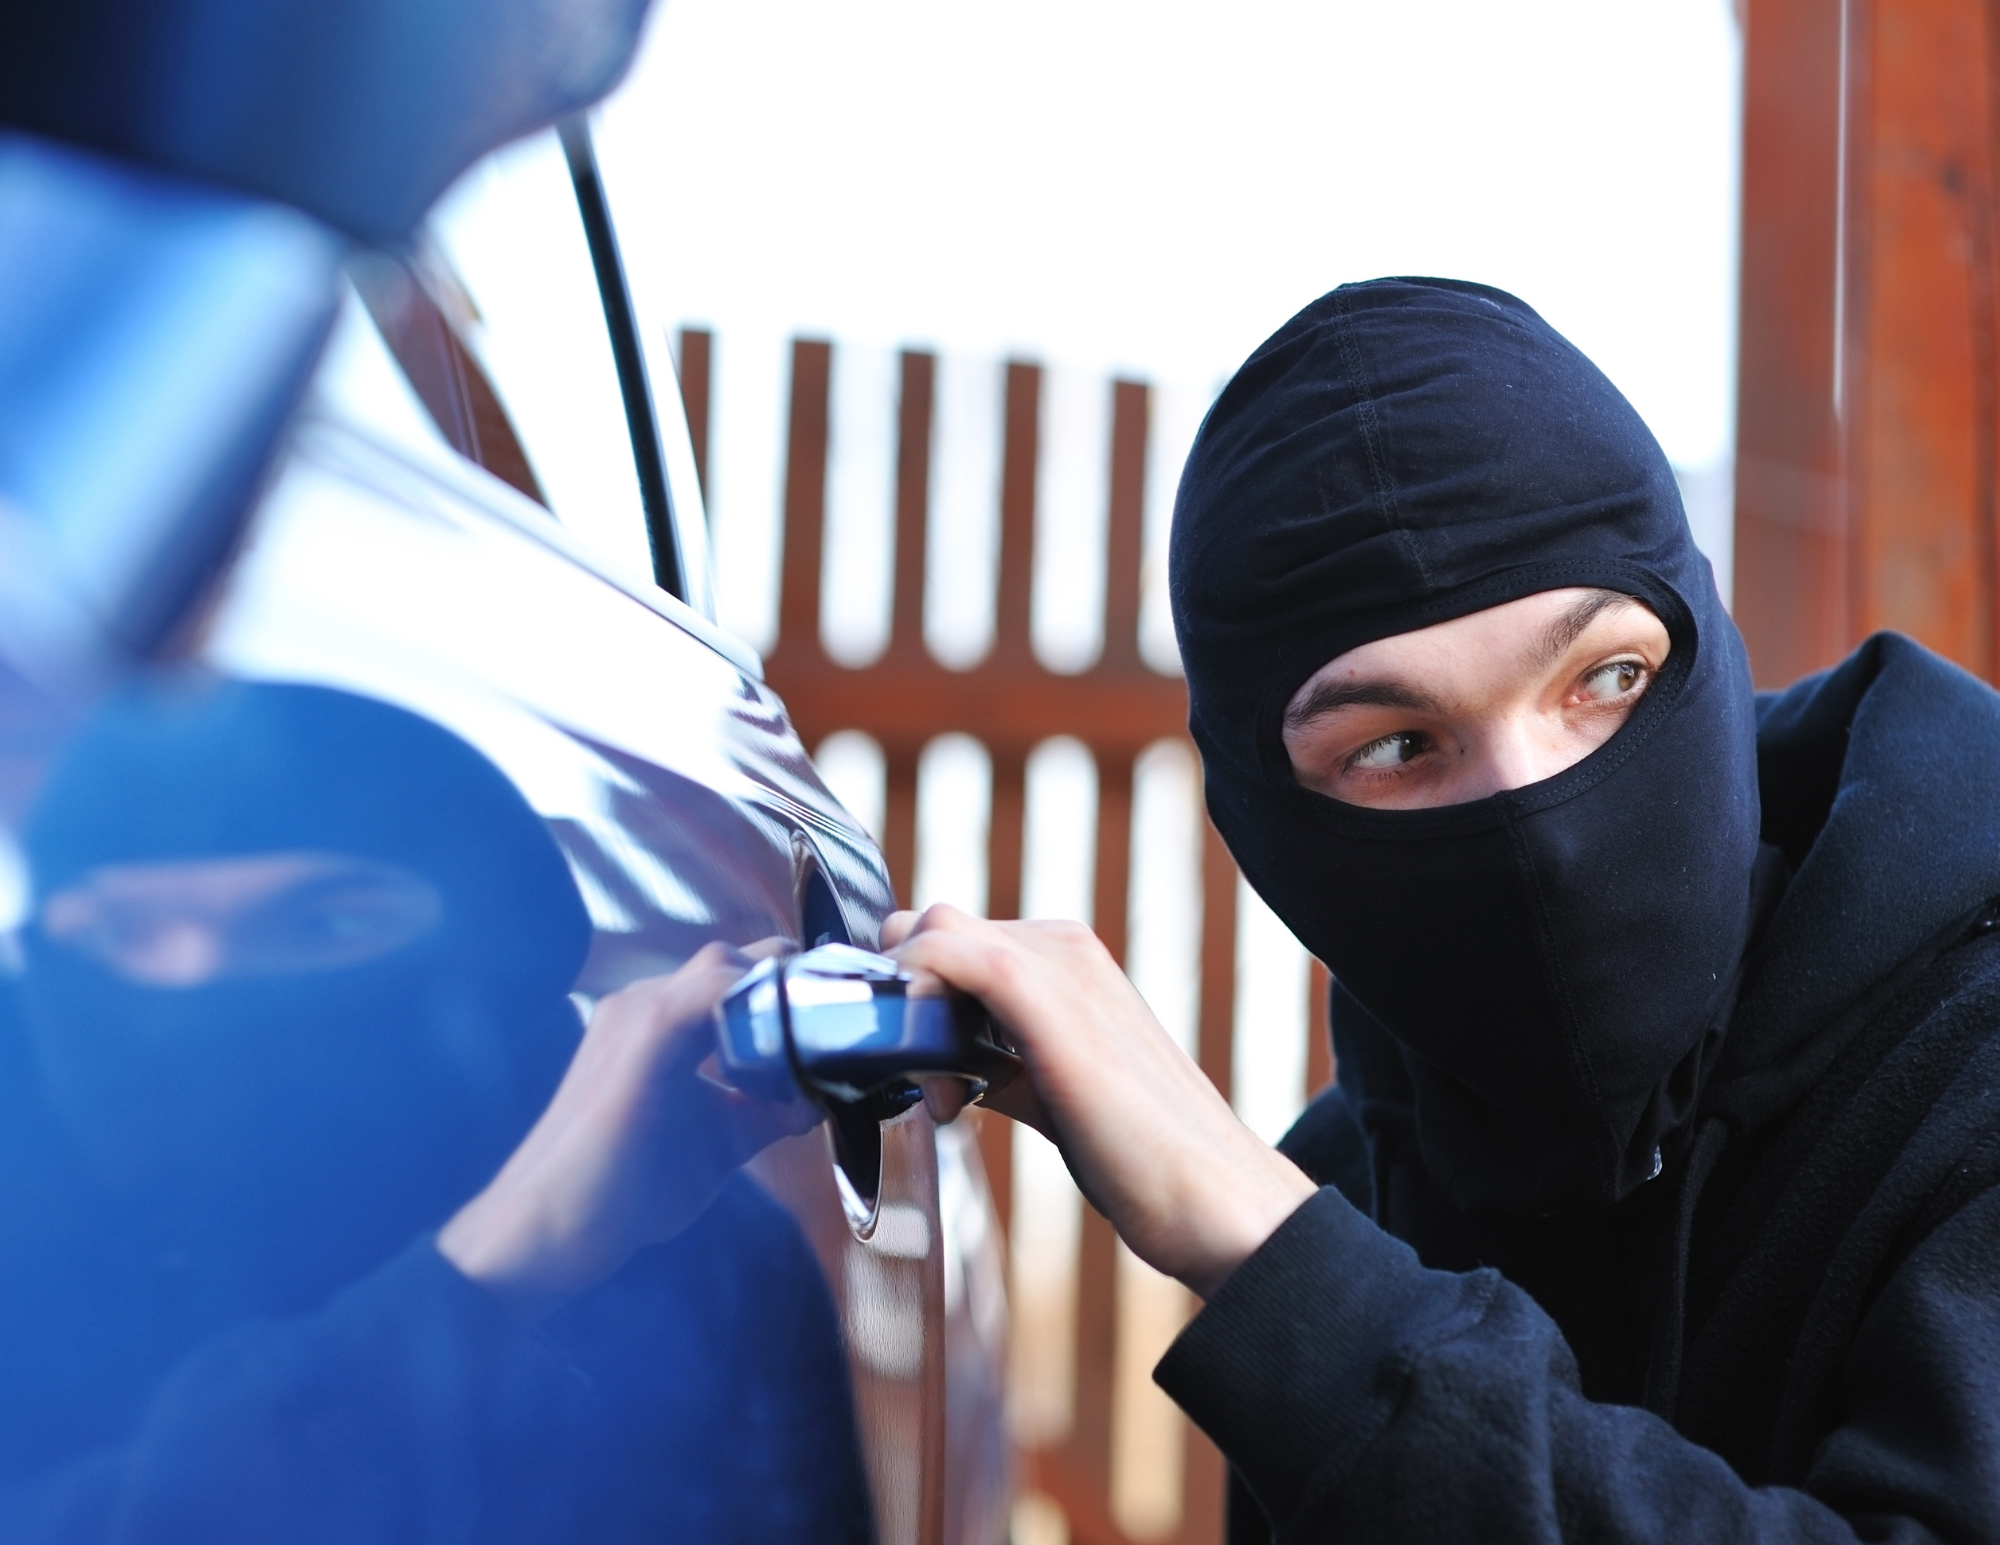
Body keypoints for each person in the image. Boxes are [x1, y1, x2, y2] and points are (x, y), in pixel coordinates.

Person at [873, 278, 2000, 1539]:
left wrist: (1285, 1271)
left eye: (1604, 677)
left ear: (1707, 645)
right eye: (1397, 747)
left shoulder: (1970, 1067)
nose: (1540, 819)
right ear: (1262, 826)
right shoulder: (1345, 1192)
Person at [0, 677, 870, 1542]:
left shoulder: (678, 1245)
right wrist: (483, 1280)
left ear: (503, 944)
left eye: (327, 925)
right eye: (122, 933)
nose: (192, 985)